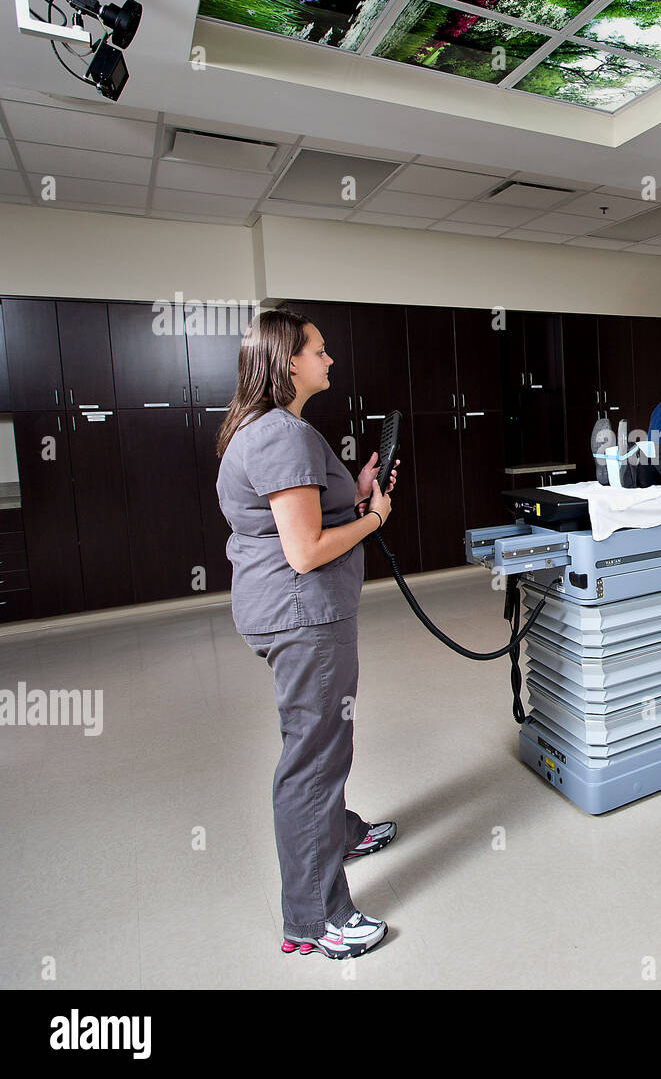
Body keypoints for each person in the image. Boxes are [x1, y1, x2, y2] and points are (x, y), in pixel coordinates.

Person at [215, 309, 400, 960]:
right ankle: (316, 918)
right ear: (288, 362)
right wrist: (374, 519)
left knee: (322, 741)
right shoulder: (282, 436)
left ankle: (339, 832)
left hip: (293, 613)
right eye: (319, 352)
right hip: (304, 616)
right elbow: (305, 550)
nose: (329, 360)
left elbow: (304, 515)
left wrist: (357, 492)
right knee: (313, 760)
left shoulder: (269, 429)